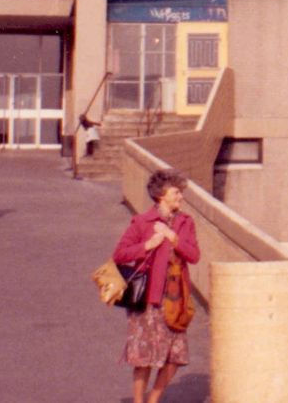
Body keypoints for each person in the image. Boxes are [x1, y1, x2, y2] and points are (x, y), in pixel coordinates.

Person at [113, 168, 200, 403]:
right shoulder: (142, 222)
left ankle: (153, 399)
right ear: (162, 195)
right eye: (176, 192)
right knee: (144, 358)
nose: (180, 197)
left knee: (175, 357)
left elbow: (194, 256)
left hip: (175, 299)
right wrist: (147, 245)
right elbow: (120, 254)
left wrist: (174, 239)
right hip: (147, 300)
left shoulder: (185, 222)